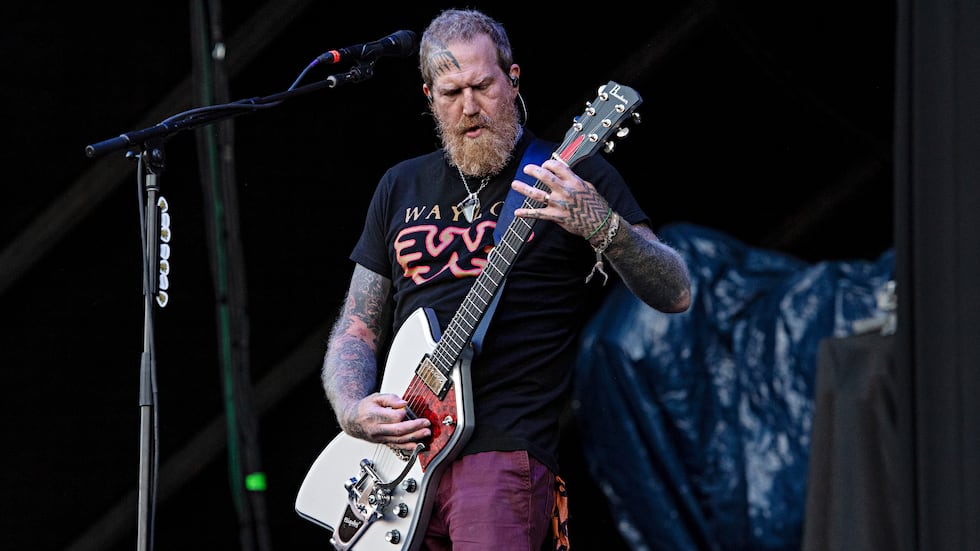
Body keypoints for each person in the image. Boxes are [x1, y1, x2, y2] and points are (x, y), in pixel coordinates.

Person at [319, 8, 692, 550]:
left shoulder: (569, 176)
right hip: (393, 463)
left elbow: (675, 290)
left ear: (512, 80)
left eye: (482, 86)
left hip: (499, 452)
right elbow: (356, 328)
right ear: (428, 96)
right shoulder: (399, 186)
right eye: (450, 93)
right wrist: (353, 410)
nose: (469, 108)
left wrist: (603, 225)